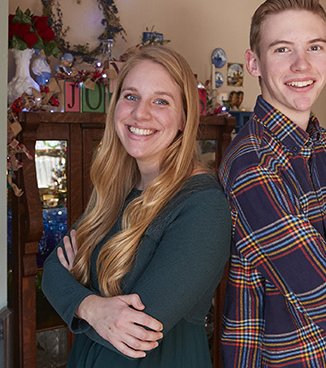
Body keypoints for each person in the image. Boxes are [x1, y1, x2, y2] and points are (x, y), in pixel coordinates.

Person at [218, 0, 326, 367]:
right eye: (282, 49)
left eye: (314, 47)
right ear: (254, 63)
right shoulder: (252, 164)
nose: (301, 65)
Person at [42, 45, 231, 367]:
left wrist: (75, 298)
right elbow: (52, 270)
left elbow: (138, 329)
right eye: (131, 96)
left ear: (184, 118)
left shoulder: (203, 205)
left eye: (161, 101)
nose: (140, 114)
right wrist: (91, 308)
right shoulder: (116, 189)